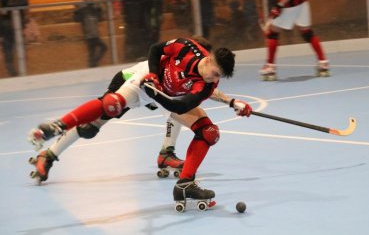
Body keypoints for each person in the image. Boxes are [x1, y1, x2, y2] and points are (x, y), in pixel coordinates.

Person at [27, 37, 252, 209]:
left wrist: (231, 101)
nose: (213, 79)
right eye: (213, 73)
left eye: (217, 77)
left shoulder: (206, 81)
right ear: (206, 58)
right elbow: (156, 50)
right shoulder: (185, 50)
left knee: (207, 131)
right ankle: (49, 150)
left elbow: (185, 103)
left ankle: (175, 167)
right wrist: (154, 77)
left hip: (162, 94)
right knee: (91, 126)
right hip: (137, 81)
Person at [260, 0, 329, 81]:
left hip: (290, 5)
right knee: (307, 32)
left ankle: (270, 67)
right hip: (302, 1)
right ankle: (323, 63)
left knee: (272, 33)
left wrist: (279, 6)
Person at [0, 0, 29, 76]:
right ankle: (13, 75)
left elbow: (24, 2)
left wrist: (8, 7)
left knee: (21, 51)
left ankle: (23, 74)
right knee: (7, 53)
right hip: (3, 29)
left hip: (16, 26)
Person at [74, 0, 107, 67]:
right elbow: (77, 19)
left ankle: (93, 64)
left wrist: (100, 10)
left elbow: (100, 18)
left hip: (95, 33)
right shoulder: (82, 7)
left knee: (102, 48)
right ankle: (93, 65)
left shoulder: (95, 6)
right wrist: (76, 11)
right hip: (88, 35)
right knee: (92, 51)